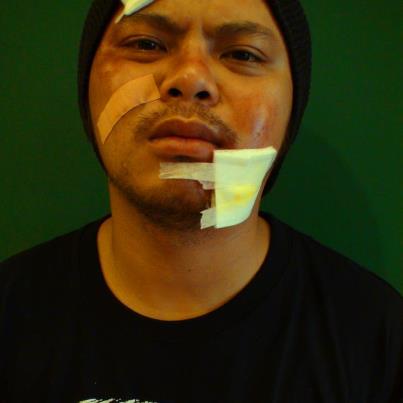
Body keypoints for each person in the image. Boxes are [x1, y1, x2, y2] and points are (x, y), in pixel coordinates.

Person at [1, 0, 402, 402]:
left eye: (243, 54)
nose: (191, 78)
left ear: (292, 107)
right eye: (146, 44)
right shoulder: (11, 317)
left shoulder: (376, 339)